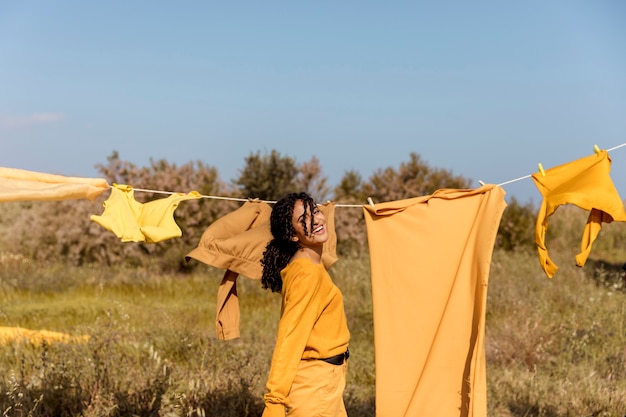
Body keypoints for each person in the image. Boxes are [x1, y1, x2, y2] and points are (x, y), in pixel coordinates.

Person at [260, 192, 350, 417]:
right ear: (292, 235)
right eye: (304, 220)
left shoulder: (311, 263)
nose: (317, 220)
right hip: (314, 387)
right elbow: (290, 336)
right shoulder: (307, 272)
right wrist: (275, 400)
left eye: (316, 212)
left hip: (326, 381)